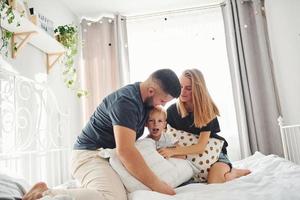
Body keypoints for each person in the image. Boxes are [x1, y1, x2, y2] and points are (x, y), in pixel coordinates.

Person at [22, 69, 181, 200]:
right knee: (113, 198)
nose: (162, 106)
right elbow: (126, 151)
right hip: (89, 155)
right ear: (151, 91)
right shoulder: (126, 102)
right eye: (162, 101)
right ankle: (46, 192)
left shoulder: (144, 102)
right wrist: (158, 185)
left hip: (106, 156)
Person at [158, 69, 251, 184]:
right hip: (189, 159)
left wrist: (172, 152)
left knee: (214, 182)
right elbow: (164, 136)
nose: (182, 92)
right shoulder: (172, 111)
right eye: (181, 86)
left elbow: (200, 147)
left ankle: (235, 172)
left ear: (197, 90)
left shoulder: (206, 111)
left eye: (188, 88)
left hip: (215, 156)